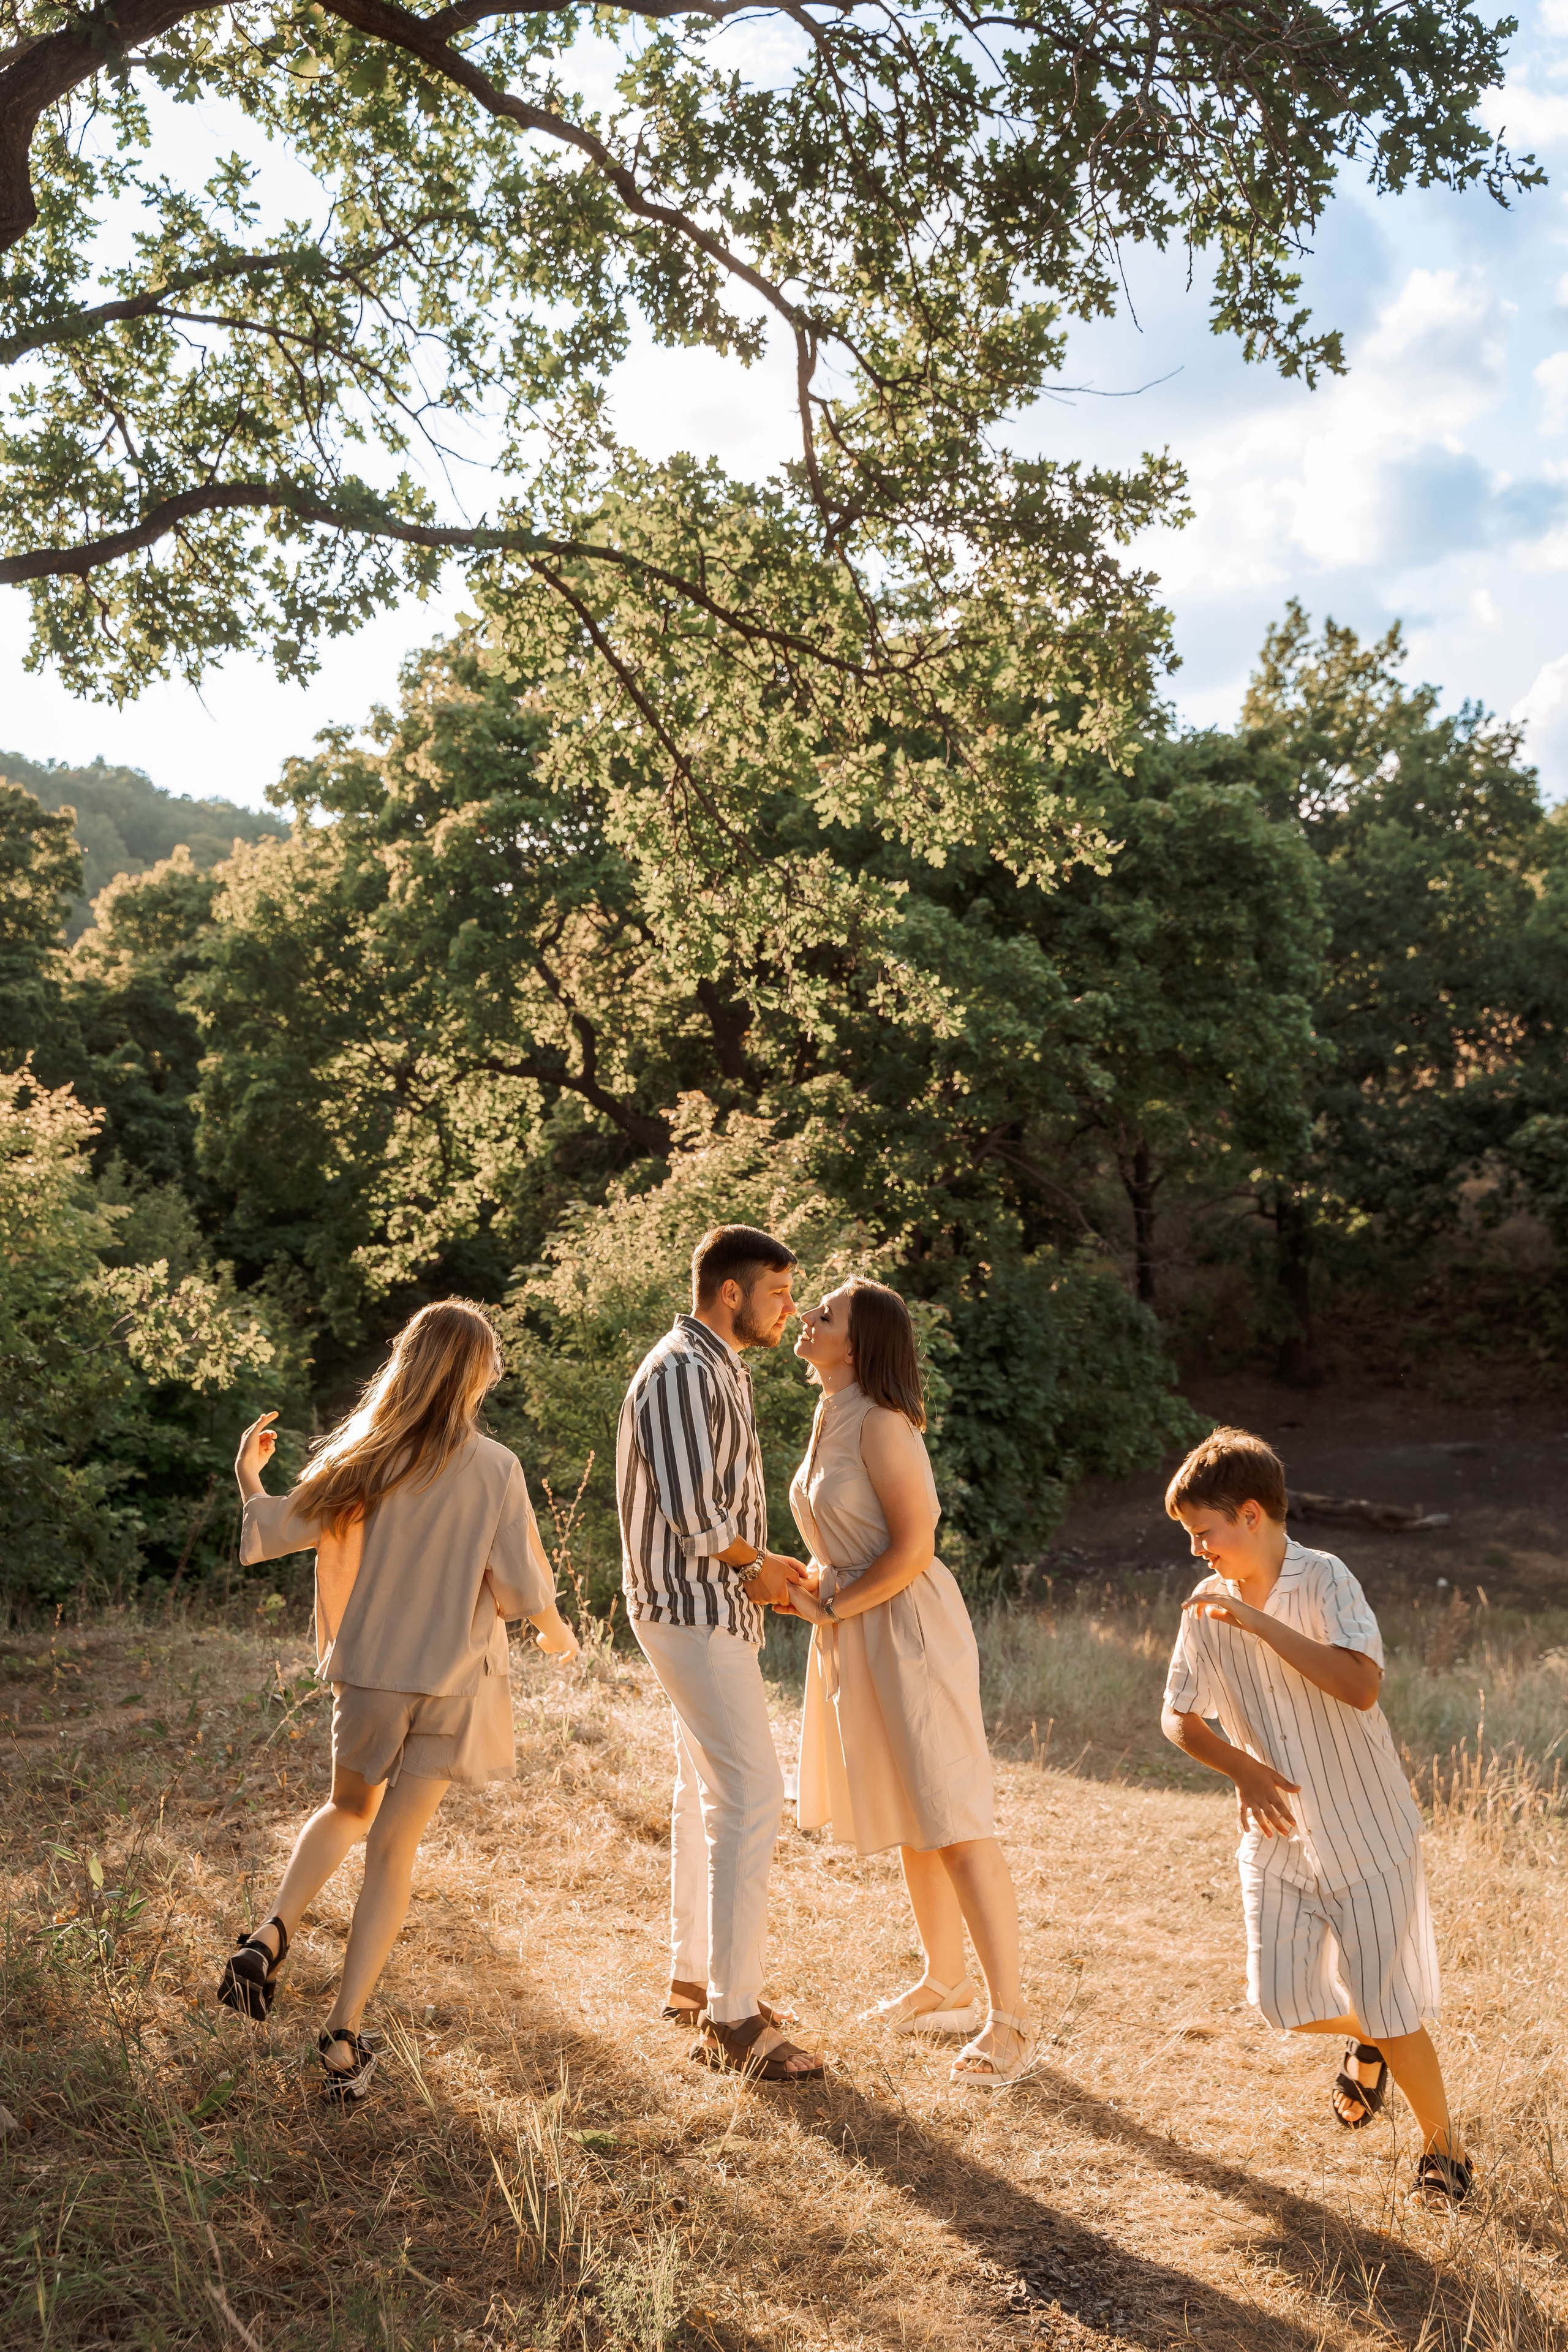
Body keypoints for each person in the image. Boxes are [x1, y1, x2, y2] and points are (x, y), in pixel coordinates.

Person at [217, 1298, 578, 2100]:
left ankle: (271, 1932)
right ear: (479, 1374)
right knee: (393, 1850)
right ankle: (343, 2039)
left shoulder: (368, 1458)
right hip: (453, 1684)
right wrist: (557, 1633)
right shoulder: (495, 1467)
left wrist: (248, 1472)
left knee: (347, 1810)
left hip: (372, 1674)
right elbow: (521, 1585)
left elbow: (275, 1528)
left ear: (407, 1363)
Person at [1161, 1425, 1471, 2205]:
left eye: (1206, 1533)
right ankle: (1369, 2038)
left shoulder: (1327, 1578)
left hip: (1368, 1831)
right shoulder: (1202, 1605)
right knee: (1281, 2003)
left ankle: (1446, 2156)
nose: (1199, 1551)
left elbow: (1361, 1686)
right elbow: (1178, 1716)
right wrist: (1240, 1766)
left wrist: (1262, 1624)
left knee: (1394, 2005)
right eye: (1191, 1537)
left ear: (1253, 1515)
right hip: (1278, 1838)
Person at [788, 1277, 1029, 2089]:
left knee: (954, 1819)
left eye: (825, 1314)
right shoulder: (829, 1412)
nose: (806, 1318)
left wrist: (835, 1605)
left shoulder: (885, 1424)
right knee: (914, 1814)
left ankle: (1013, 2022)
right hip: (858, 1629)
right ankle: (945, 1985)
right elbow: (843, 1539)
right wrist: (806, 1583)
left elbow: (913, 1547)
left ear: (859, 1344)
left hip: (908, 1630)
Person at [618, 1224, 824, 2081]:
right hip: (685, 1607)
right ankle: (734, 2023)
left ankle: (696, 1984)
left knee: (707, 1792)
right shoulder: (679, 1369)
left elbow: (716, 1518)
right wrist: (762, 1565)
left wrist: (762, 1577)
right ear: (731, 1293)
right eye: (779, 1292)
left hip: (710, 1606)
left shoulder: (718, 1368)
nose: (791, 1309)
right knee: (749, 1794)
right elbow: (695, 1517)